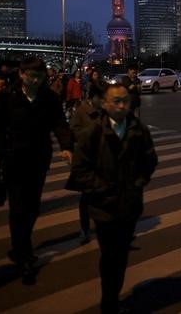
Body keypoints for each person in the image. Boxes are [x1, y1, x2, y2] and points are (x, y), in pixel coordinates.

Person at [70, 83, 157, 313]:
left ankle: (112, 296)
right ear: (105, 104)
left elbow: (150, 161)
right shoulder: (93, 132)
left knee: (120, 255)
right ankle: (109, 301)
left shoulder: (139, 130)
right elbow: (80, 169)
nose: (121, 105)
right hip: (103, 206)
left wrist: (137, 183)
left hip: (129, 203)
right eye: (116, 101)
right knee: (110, 255)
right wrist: (101, 188)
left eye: (125, 101)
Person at [0, 56, 73, 285]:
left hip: (38, 160)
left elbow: (59, 124)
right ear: (22, 75)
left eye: (39, 76)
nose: (35, 80)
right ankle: (24, 255)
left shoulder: (49, 98)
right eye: (31, 76)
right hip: (13, 161)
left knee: (33, 207)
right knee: (18, 208)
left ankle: (20, 247)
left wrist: (66, 147)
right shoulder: (7, 98)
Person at [67, 80, 107, 245]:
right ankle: (84, 228)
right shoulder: (82, 111)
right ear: (94, 97)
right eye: (102, 98)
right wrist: (92, 131)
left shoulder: (105, 110)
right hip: (87, 161)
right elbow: (74, 132)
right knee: (86, 198)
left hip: (104, 159)